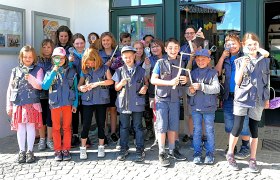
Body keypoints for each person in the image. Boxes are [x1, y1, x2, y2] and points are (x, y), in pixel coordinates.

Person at [226, 33, 270, 173]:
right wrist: (244, 65)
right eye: (249, 44)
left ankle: (252, 159)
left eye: (254, 44)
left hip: (258, 99)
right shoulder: (239, 60)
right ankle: (230, 154)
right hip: (242, 98)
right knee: (237, 127)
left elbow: (266, 82)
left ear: (258, 45)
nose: (252, 47)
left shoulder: (264, 60)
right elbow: (237, 82)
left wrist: (267, 99)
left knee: (254, 129)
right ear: (244, 45)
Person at [151, 38, 188, 167]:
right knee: (162, 126)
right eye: (170, 48)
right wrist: (169, 83)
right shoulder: (160, 63)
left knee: (173, 126)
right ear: (165, 49)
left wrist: (185, 79)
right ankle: (161, 152)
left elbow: (186, 79)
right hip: (161, 99)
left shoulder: (181, 62)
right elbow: (153, 80)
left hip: (175, 100)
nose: (173, 50)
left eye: (176, 48)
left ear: (179, 49)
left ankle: (172, 150)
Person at [215, 34, 251, 158]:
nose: (232, 46)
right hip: (227, 95)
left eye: (234, 43)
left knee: (244, 122)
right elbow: (217, 72)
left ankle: (245, 146)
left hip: (242, 95)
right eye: (229, 44)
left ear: (240, 44)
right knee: (229, 123)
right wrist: (222, 57)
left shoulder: (245, 57)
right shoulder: (225, 59)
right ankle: (232, 146)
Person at [6, 45, 43, 163]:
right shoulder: (15, 70)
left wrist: (31, 78)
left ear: (34, 58)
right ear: (21, 58)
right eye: (25, 57)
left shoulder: (38, 69)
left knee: (31, 126)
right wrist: (9, 105)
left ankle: (30, 151)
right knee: (20, 127)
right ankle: (22, 151)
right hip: (19, 103)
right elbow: (10, 89)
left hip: (32, 103)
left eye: (30, 57)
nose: (27, 59)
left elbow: (40, 86)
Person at [112, 46, 148, 162]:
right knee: (124, 127)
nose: (128, 59)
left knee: (138, 127)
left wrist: (145, 87)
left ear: (134, 56)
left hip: (137, 102)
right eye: (125, 57)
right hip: (124, 103)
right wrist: (121, 83)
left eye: (130, 57)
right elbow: (116, 88)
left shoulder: (141, 70)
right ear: (122, 58)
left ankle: (140, 149)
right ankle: (123, 149)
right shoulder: (119, 71)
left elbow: (146, 84)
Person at [42, 47, 78, 161]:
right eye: (57, 58)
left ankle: (66, 149)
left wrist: (75, 104)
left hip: (68, 103)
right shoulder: (49, 71)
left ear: (65, 58)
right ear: (53, 59)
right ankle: (57, 150)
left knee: (67, 127)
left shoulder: (72, 71)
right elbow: (45, 86)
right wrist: (54, 71)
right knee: (56, 128)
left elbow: (75, 88)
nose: (60, 60)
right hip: (55, 103)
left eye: (62, 58)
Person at [78, 48, 113, 159]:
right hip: (88, 100)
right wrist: (81, 88)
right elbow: (79, 85)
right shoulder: (84, 70)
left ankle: (101, 146)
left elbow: (110, 81)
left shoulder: (105, 68)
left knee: (101, 123)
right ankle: (83, 147)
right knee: (86, 124)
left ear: (96, 59)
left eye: (90, 62)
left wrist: (97, 83)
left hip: (101, 100)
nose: (89, 64)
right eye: (87, 62)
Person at [187, 49, 220, 164]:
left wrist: (201, 86)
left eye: (203, 59)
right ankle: (197, 153)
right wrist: (191, 91)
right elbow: (189, 91)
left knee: (209, 131)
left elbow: (216, 88)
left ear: (208, 60)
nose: (201, 62)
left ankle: (210, 153)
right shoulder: (192, 73)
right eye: (198, 60)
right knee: (197, 131)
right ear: (195, 60)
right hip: (196, 106)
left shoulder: (213, 73)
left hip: (209, 107)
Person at [98, 32, 121, 144]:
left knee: (113, 108)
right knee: (104, 109)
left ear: (112, 41)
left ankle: (113, 132)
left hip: (114, 85)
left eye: (108, 40)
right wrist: (104, 65)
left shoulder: (117, 53)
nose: (106, 42)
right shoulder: (98, 53)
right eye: (104, 40)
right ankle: (104, 132)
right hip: (102, 85)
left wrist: (114, 64)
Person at [69, 33, 87, 147]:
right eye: (77, 43)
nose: (79, 45)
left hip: (86, 86)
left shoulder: (88, 53)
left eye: (81, 43)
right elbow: (67, 70)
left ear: (85, 43)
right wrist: (69, 62)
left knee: (85, 113)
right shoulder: (70, 55)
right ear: (73, 44)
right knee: (74, 113)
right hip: (73, 87)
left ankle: (85, 136)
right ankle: (75, 135)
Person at [37, 39, 55, 151]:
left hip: (52, 93)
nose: (46, 49)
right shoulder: (37, 60)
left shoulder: (55, 60)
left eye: (49, 47)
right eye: (44, 47)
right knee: (41, 118)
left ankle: (49, 139)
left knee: (50, 118)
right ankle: (42, 139)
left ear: (52, 48)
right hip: (39, 94)